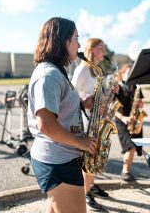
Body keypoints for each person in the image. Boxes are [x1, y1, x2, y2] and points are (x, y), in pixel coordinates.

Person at [27, 17, 98, 213]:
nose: (79, 43)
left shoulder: (56, 71)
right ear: (63, 41)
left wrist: (82, 104)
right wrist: (80, 143)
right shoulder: (48, 75)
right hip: (57, 162)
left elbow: (57, 109)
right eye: (76, 38)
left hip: (61, 158)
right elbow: (46, 125)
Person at [72, 38, 109, 211]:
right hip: (86, 120)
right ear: (92, 50)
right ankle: (85, 193)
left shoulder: (97, 70)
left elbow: (98, 93)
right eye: (101, 48)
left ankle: (90, 186)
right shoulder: (82, 70)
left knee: (95, 157)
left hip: (96, 118)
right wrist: (85, 102)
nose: (104, 52)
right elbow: (70, 95)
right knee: (88, 157)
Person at [114, 64, 144, 181]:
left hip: (134, 120)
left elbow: (140, 103)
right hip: (122, 120)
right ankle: (125, 171)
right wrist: (123, 118)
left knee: (134, 146)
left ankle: (128, 171)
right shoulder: (118, 87)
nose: (131, 74)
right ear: (122, 74)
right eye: (128, 72)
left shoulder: (136, 87)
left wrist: (139, 103)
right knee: (129, 146)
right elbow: (113, 108)